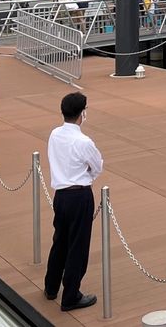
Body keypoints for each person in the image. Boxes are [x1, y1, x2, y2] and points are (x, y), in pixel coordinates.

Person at [44, 92, 103, 312]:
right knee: (78, 245)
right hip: (79, 195)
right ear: (82, 113)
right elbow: (97, 166)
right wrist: (86, 174)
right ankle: (70, 296)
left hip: (60, 195)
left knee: (60, 240)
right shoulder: (83, 141)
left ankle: (51, 287)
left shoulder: (55, 134)